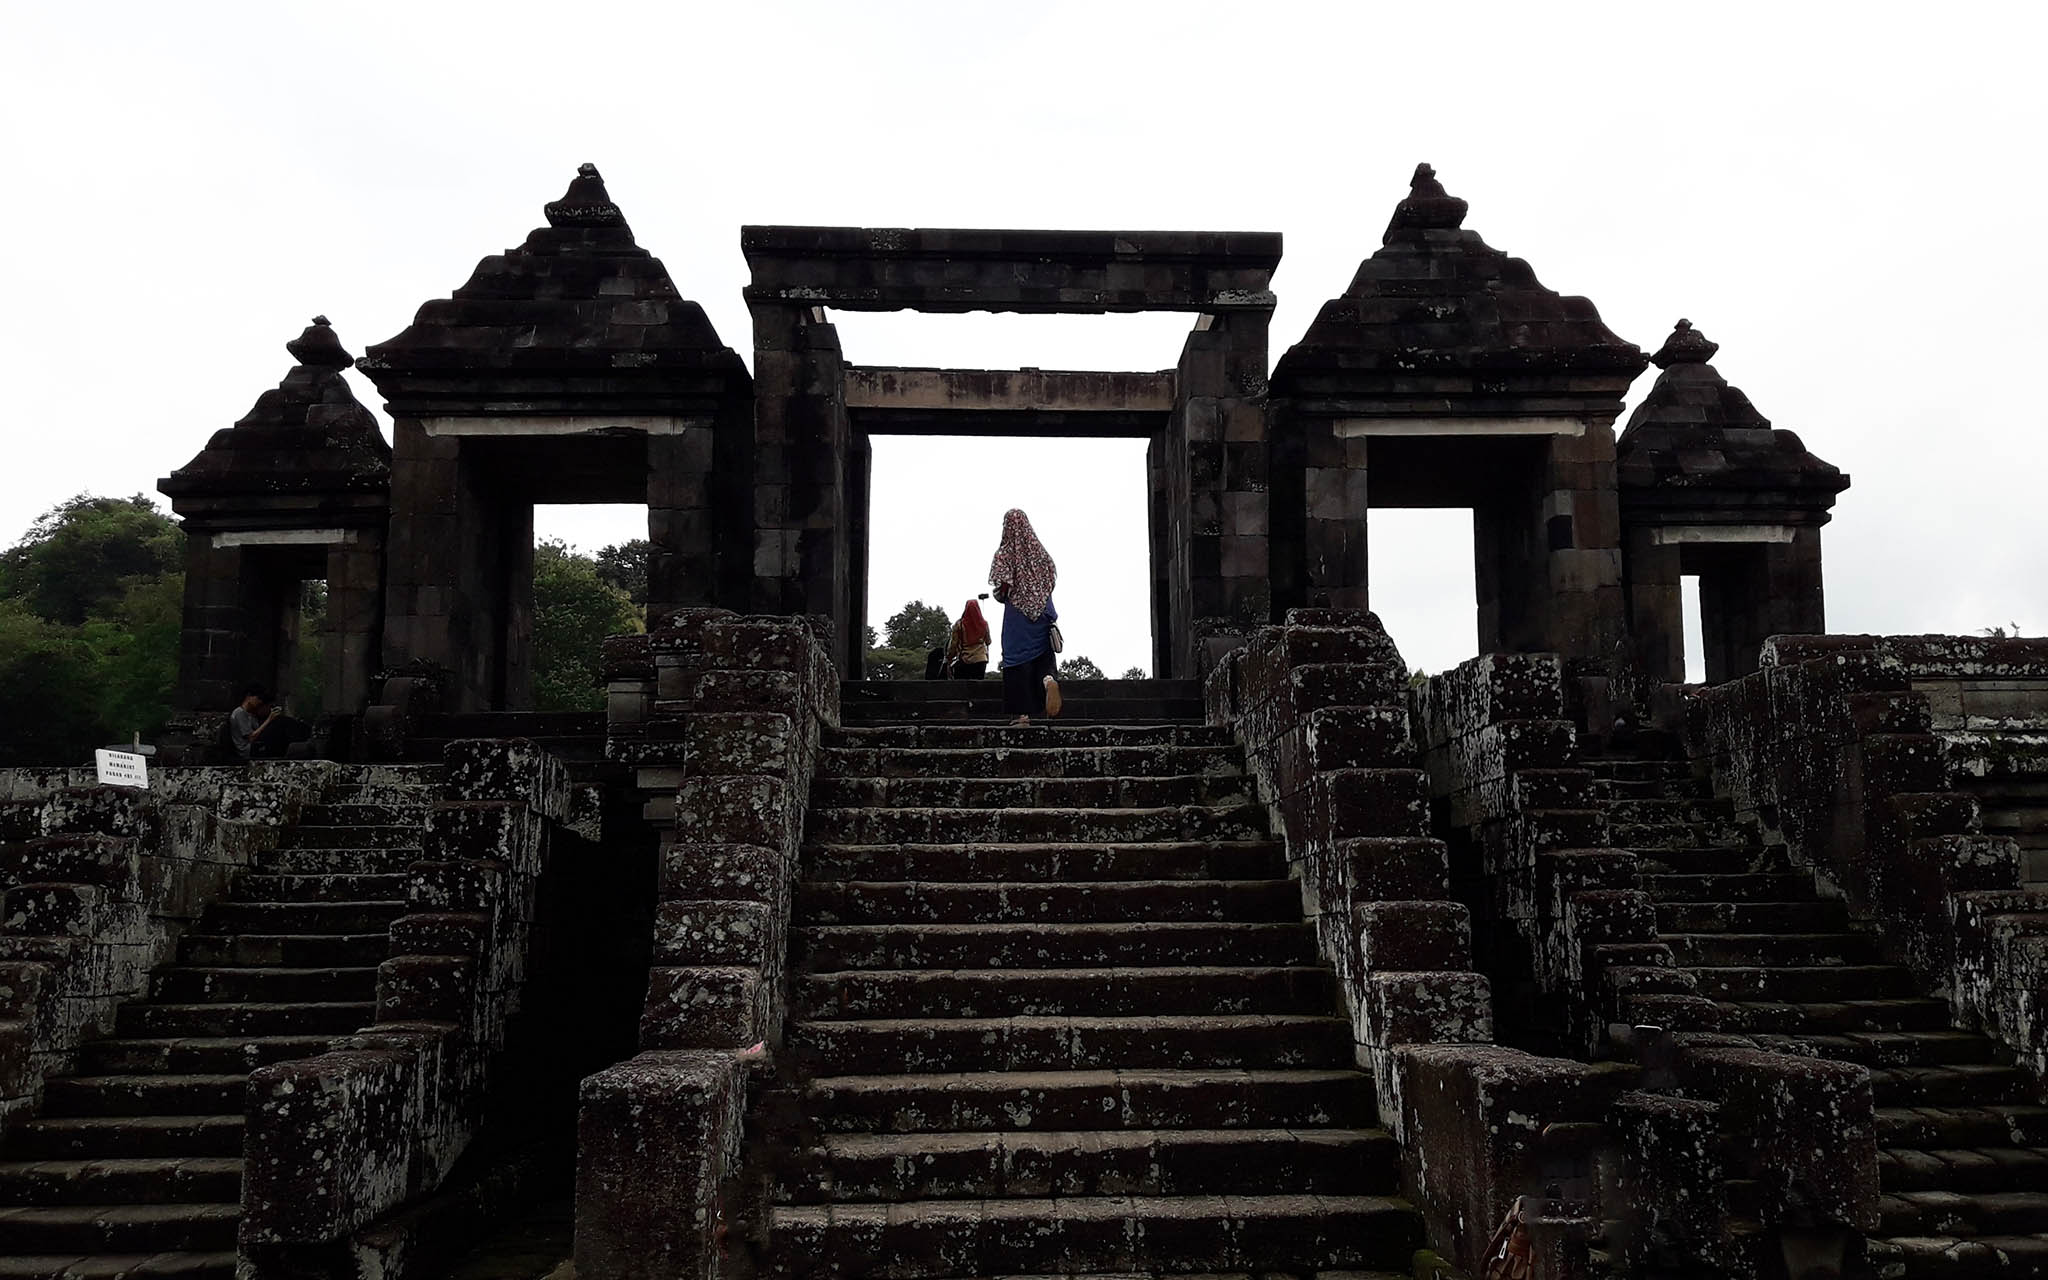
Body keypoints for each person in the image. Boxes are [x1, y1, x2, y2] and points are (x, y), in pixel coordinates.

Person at [988, 508, 1063, 725]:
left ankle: (1023, 716)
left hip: (1018, 615)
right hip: (1043, 612)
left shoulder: (1005, 554)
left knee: (1016, 660)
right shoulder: (1040, 553)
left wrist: (1004, 594)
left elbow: (1003, 588)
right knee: (1043, 656)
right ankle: (1048, 680)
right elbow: (1051, 581)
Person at [229, 685, 307, 762]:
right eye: (258, 698)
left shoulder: (250, 713)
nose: (260, 701)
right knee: (281, 723)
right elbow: (251, 738)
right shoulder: (239, 713)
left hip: (257, 744)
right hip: (249, 750)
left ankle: (304, 738)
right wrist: (270, 719)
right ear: (249, 696)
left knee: (282, 723)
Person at [944, 598, 992, 680]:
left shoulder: (959, 624)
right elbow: (988, 641)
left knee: (961, 686)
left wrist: (949, 657)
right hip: (981, 660)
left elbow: (953, 644)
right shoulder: (984, 624)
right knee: (978, 686)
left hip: (965, 660)